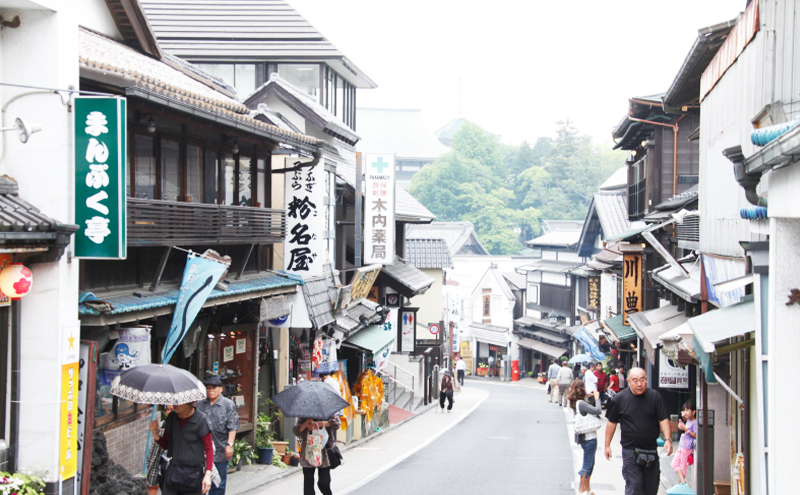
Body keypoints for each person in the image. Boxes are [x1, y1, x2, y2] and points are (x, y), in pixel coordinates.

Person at [604, 367, 672, 495]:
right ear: (628, 381)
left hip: (651, 450)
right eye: (635, 381)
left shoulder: (655, 397)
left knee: (651, 488)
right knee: (634, 486)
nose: (639, 384)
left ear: (646, 380)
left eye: (642, 380)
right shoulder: (620, 398)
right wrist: (607, 445)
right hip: (630, 450)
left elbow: (663, 419)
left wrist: (668, 439)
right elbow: (611, 422)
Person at [150, 401, 214, 495]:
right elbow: (166, 445)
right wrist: (155, 434)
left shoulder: (200, 420)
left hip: (193, 474)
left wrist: (208, 474)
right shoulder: (172, 417)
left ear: (188, 403)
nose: (174, 405)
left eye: (178, 402)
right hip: (174, 471)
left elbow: (209, 449)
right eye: (173, 402)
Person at [196, 376, 239, 495]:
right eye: (208, 388)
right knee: (200, 482)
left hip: (220, 449)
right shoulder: (200, 404)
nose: (210, 391)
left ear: (221, 389)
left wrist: (229, 445)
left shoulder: (228, 404)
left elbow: (232, 426)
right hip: (202, 450)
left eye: (214, 388)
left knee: (218, 483)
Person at [569, 380, 602, 495]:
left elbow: (589, 411)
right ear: (581, 389)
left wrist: (591, 398)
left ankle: (587, 488)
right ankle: (581, 490)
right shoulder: (581, 403)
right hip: (589, 438)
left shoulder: (578, 403)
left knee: (590, 464)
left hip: (586, 438)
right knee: (587, 465)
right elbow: (598, 410)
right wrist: (598, 398)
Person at [294, 415, 341, 495]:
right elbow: (296, 431)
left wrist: (321, 424)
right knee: (308, 483)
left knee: (324, 482)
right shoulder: (304, 414)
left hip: (324, 452)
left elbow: (337, 423)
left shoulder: (327, 411)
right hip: (308, 451)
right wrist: (306, 424)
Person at [671, 401, 697, 485]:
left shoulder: (695, 422)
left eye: (687, 410)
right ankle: (682, 482)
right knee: (674, 463)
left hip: (687, 447)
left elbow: (696, 435)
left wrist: (686, 429)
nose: (685, 412)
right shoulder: (688, 421)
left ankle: (682, 483)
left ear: (693, 412)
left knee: (683, 466)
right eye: (684, 410)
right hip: (682, 446)